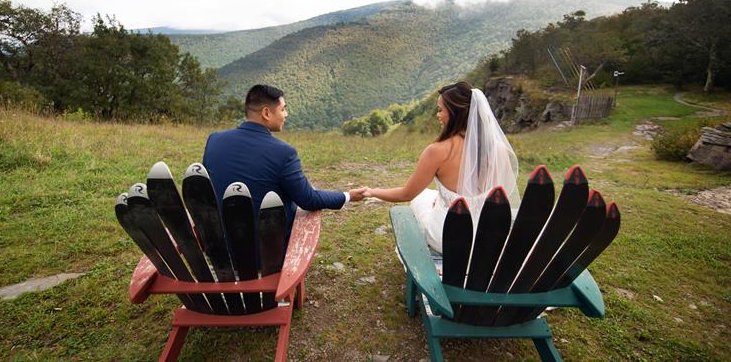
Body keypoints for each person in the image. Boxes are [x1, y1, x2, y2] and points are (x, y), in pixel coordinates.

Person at [362, 81, 520, 252]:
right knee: (431, 196)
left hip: (449, 238)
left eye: (440, 110)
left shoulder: (437, 151)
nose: (438, 115)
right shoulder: (499, 149)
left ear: (455, 112)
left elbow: (406, 194)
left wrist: (372, 192)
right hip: (489, 236)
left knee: (419, 198)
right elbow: (500, 190)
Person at [203, 84, 366, 237]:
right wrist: (348, 196)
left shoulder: (214, 140)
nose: (286, 114)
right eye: (283, 109)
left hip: (222, 245)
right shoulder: (283, 152)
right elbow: (308, 200)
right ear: (266, 113)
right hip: (266, 251)